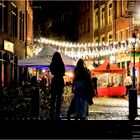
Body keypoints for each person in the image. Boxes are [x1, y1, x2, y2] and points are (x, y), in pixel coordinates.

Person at [49, 52, 65, 120]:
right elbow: (63, 72)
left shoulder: (52, 64)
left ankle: (51, 114)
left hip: (55, 80)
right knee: (58, 99)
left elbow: (52, 72)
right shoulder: (62, 64)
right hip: (60, 81)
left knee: (53, 99)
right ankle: (57, 115)